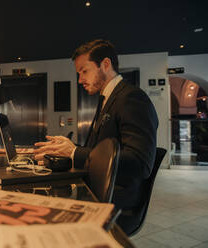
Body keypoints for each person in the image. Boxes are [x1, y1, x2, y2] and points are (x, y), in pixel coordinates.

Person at [34, 39, 159, 234]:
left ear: (106, 64)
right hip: (100, 190)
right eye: (78, 74)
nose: (80, 80)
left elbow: (140, 163)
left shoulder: (132, 98)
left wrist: (75, 153)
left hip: (116, 202)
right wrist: (67, 148)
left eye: (84, 71)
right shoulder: (108, 98)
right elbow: (97, 151)